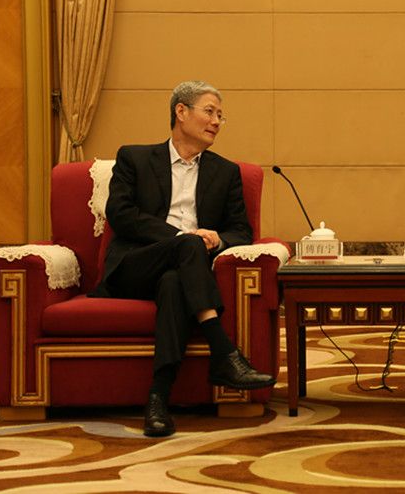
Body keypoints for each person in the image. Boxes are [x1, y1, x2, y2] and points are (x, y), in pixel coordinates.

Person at [93, 80, 276, 437]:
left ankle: (158, 400)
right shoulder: (135, 158)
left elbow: (241, 231)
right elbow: (121, 214)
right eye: (209, 111)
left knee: (174, 282)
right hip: (134, 266)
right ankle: (223, 351)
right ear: (181, 111)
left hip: (185, 274)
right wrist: (181, 238)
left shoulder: (226, 172)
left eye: (221, 116)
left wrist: (218, 239)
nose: (217, 121)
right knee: (188, 245)